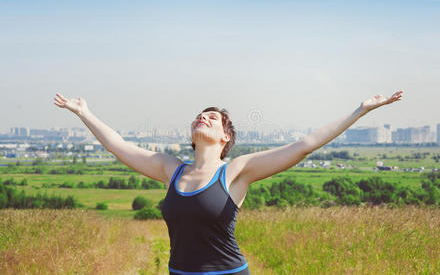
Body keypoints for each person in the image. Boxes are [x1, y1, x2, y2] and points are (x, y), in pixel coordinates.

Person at [53, 90, 403, 274]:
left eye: (213, 117)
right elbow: (121, 146)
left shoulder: (236, 171)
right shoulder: (170, 169)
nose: (203, 117)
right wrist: (84, 113)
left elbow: (303, 146)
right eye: (199, 115)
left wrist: (360, 111)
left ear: (225, 137)